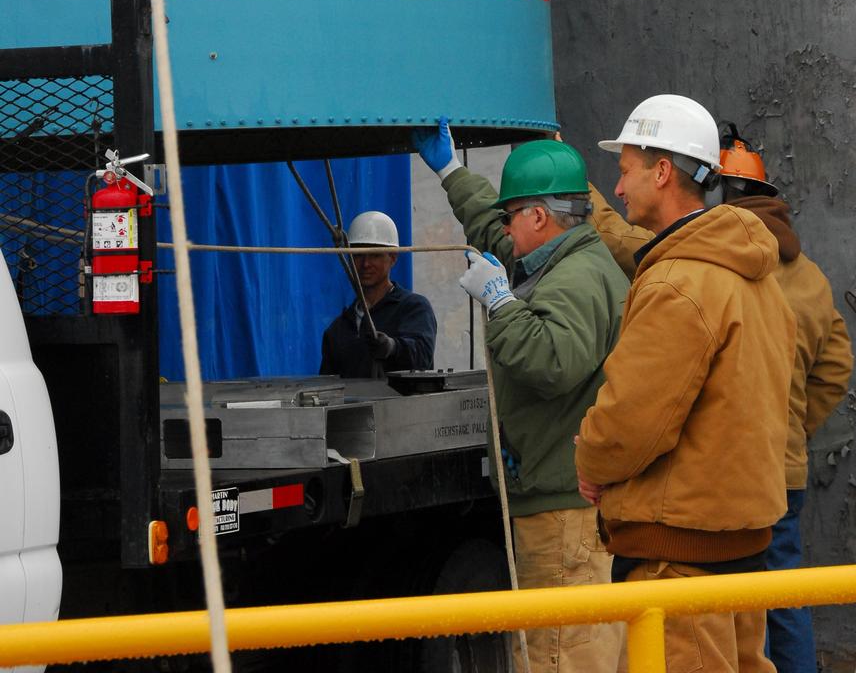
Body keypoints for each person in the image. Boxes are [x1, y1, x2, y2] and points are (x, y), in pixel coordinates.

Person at [575, 94, 796, 673]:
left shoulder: (677, 283)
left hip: (677, 562)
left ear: (663, 171)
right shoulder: (756, 277)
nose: (618, 190)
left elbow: (629, 420)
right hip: (741, 552)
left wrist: (591, 461)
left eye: (624, 171)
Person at [413, 119, 629, 673]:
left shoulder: (578, 278)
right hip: (557, 497)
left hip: (562, 510)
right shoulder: (557, 257)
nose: (504, 230)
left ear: (538, 215)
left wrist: (500, 303)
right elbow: (491, 227)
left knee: (561, 655)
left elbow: (552, 361)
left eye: (514, 216)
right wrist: (449, 171)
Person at [717, 124, 853, 673]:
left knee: (738, 603)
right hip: (786, 467)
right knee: (785, 591)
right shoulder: (810, 277)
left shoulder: (720, 266)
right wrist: (795, 426)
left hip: (733, 471)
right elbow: (837, 366)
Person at [319, 210, 437, 377]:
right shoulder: (338, 330)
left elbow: (422, 358)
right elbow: (328, 388)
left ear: (393, 258)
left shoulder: (413, 308)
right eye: (358, 255)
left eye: (374, 255)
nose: (366, 264)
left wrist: (393, 348)